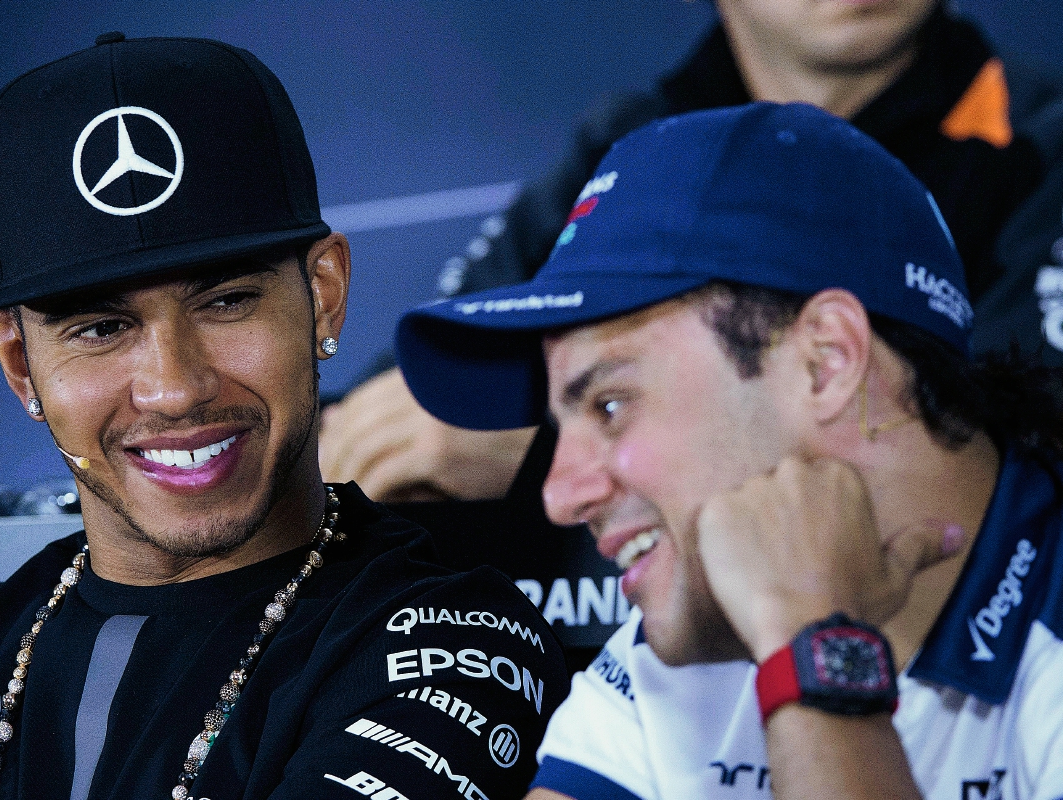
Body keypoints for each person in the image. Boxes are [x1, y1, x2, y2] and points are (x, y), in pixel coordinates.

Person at [0, 34, 568, 800]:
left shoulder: (447, 645)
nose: (174, 389)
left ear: (323, 292)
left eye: (227, 301)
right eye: (101, 328)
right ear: (18, 361)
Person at [395, 103, 1063, 799]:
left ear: (826, 362)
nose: (560, 498)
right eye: (559, 427)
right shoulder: (686, 634)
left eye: (611, 405)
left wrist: (811, 651)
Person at [320, 0, 1063, 503]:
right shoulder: (635, 141)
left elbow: (1009, 454)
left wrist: (563, 446)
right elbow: (398, 404)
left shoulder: (1042, 146)